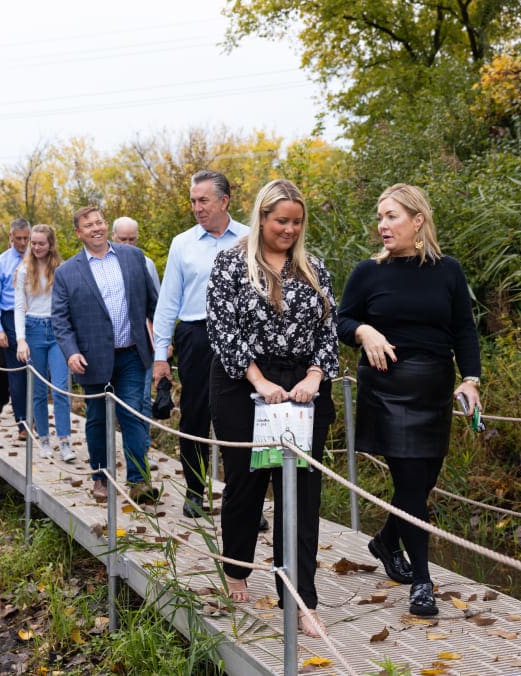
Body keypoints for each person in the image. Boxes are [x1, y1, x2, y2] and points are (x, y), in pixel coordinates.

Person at [337, 183, 482, 617]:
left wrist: (471, 379)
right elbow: (341, 321)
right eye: (380, 217)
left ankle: (384, 540)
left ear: (418, 221)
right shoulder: (368, 273)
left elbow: (464, 330)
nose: (382, 225)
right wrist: (365, 331)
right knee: (412, 487)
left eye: (392, 216)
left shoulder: (448, 270)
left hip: (434, 389)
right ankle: (423, 581)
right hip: (386, 389)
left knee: (420, 483)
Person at [207, 179, 338, 637]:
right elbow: (223, 330)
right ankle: (237, 567)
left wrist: (315, 376)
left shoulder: (314, 267)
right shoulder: (229, 265)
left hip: (302, 388)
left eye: (297, 222)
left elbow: (328, 329)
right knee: (246, 482)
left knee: (301, 493)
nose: (289, 229)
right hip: (243, 383)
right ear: (262, 217)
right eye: (281, 220)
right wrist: (260, 381)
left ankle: (300, 597)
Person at [153, 170, 255, 520]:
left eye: (203, 200)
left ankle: (244, 500)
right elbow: (168, 301)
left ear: (224, 201)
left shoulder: (249, 237)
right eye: (193, 201)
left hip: (242, 337)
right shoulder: (183, 243)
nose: (196, 207)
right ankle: (195, 492)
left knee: (243, 418)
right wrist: (159, 356)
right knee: (195, 415)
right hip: (196, 335)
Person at [52, 206, 159, 504]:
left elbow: (154, 304)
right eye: (89, 225)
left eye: (100, 222)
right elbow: (60, 320)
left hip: (132, 355)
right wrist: (71, 353)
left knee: (132, 414)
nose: (96, 228)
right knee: (98, 418)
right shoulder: (67, 272)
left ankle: (138, 481)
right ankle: (100, 477)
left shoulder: (133, 257)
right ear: (78, 233)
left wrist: (161, 342)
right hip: (91, 359)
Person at [14, 224, 76, 463]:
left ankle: (65, 441)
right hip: (33, 329)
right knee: (39, 390)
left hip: (58, 330)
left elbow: (70, 305)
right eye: (33, 243)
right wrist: (21, 340)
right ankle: (43, 439)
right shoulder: (23, 271)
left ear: (50, 244)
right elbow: (19, 306)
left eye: (41, 243)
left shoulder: (61, 269)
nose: (37, 247)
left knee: (60, 387)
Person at [112, 216, 160, 457]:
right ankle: (124, 449)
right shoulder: (104, 263)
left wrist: (161, 343)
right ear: (113, 237)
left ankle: (143, 450)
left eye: (133, 239)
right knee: (118, 403)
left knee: (142, 400)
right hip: (113, 345)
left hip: (143, 343)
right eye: (123, 239)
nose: (128, 244)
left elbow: (156, 306)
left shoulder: (145, 262)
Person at [0, 218, 30, 439]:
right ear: (11, 237)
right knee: (18, 370)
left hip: (36, 316)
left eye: (26, 238)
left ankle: (35, 418)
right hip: (10, 318)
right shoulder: (0, 263)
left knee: (38, 370)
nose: (23, 242)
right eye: (18, 238)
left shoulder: (39, 257)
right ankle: (22, 422)